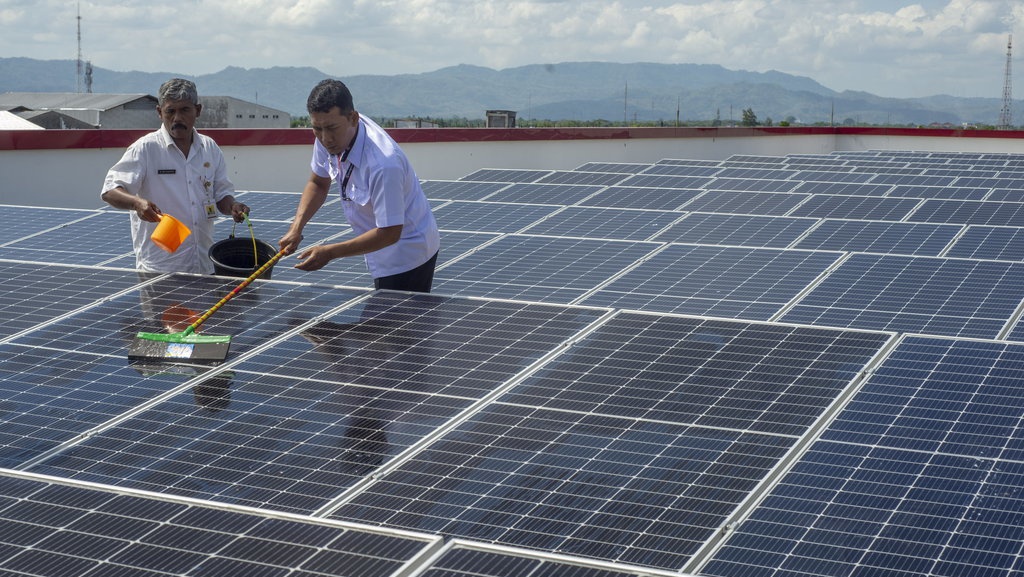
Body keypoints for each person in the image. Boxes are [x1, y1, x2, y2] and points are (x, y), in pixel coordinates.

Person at [279, 79, 440, 293]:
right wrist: (296, 228)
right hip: (378, 246)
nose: (325, 139)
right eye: (317, 128)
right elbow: (318, 182)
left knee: (395, 323)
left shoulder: (383, 164)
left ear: (353, 118)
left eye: (331, 129)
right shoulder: (330, 135)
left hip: (406, 254)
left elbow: (390, 233)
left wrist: (330, 252)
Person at [101, 78, 249, 274]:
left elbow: (221, 194)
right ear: (159, 112)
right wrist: (137, 204)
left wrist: (233, 207)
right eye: (170, 111)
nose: (177, 118)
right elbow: (110, 191)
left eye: (185, 110)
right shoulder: (146, 148)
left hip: (204, 265)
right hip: (161, 269)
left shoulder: (209, 148)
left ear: (198, 110)